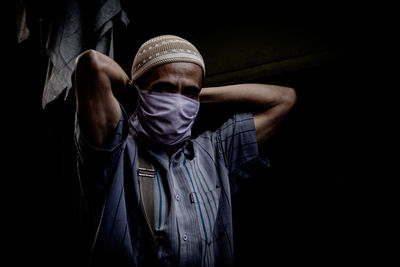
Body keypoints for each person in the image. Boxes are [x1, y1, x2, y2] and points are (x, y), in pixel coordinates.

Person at [73, 34, 296, 266]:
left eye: (189, 93)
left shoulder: (216, 151)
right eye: (165, 89)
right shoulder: (116, 149)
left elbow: (284, 99)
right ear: (139, 91)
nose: (178, 103)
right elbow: (92, 64)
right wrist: (133, 94)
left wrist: (199, 95)